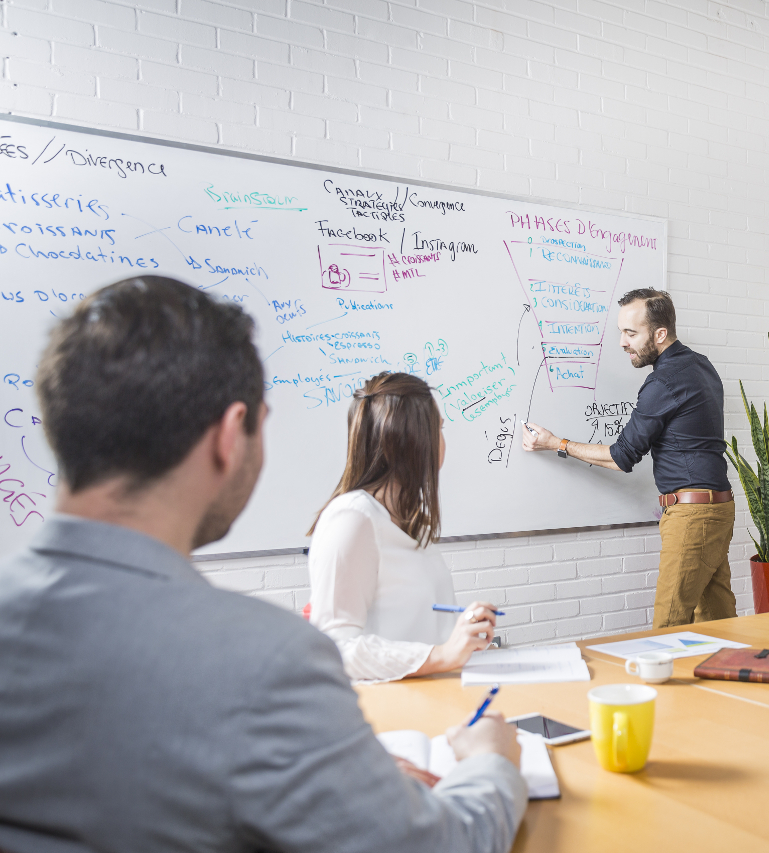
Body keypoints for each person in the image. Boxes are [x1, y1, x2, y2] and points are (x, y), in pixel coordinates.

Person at [0, 276, 527, 853]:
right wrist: (492, 764)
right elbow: (441, 844)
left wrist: (331, 774)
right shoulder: (265, 659)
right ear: (230, 437)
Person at [522, 288, 735, 629]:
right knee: (718, 622)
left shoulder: (662, 382)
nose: (623, 342)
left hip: (693, 515)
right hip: (718, 508)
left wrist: (555, 442)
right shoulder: (701, 366)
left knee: (668, 625)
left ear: (660, 334)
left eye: (631, 333)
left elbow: (622, 456)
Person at [307, 372, 500, 683]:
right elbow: (335, 649)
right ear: (414, 441)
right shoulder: (353, 519)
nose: (444, 442)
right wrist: (442, 655)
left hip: (435, 699)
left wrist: (462, 637)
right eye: (439, 430)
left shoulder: (409, 521)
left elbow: (416, 628)